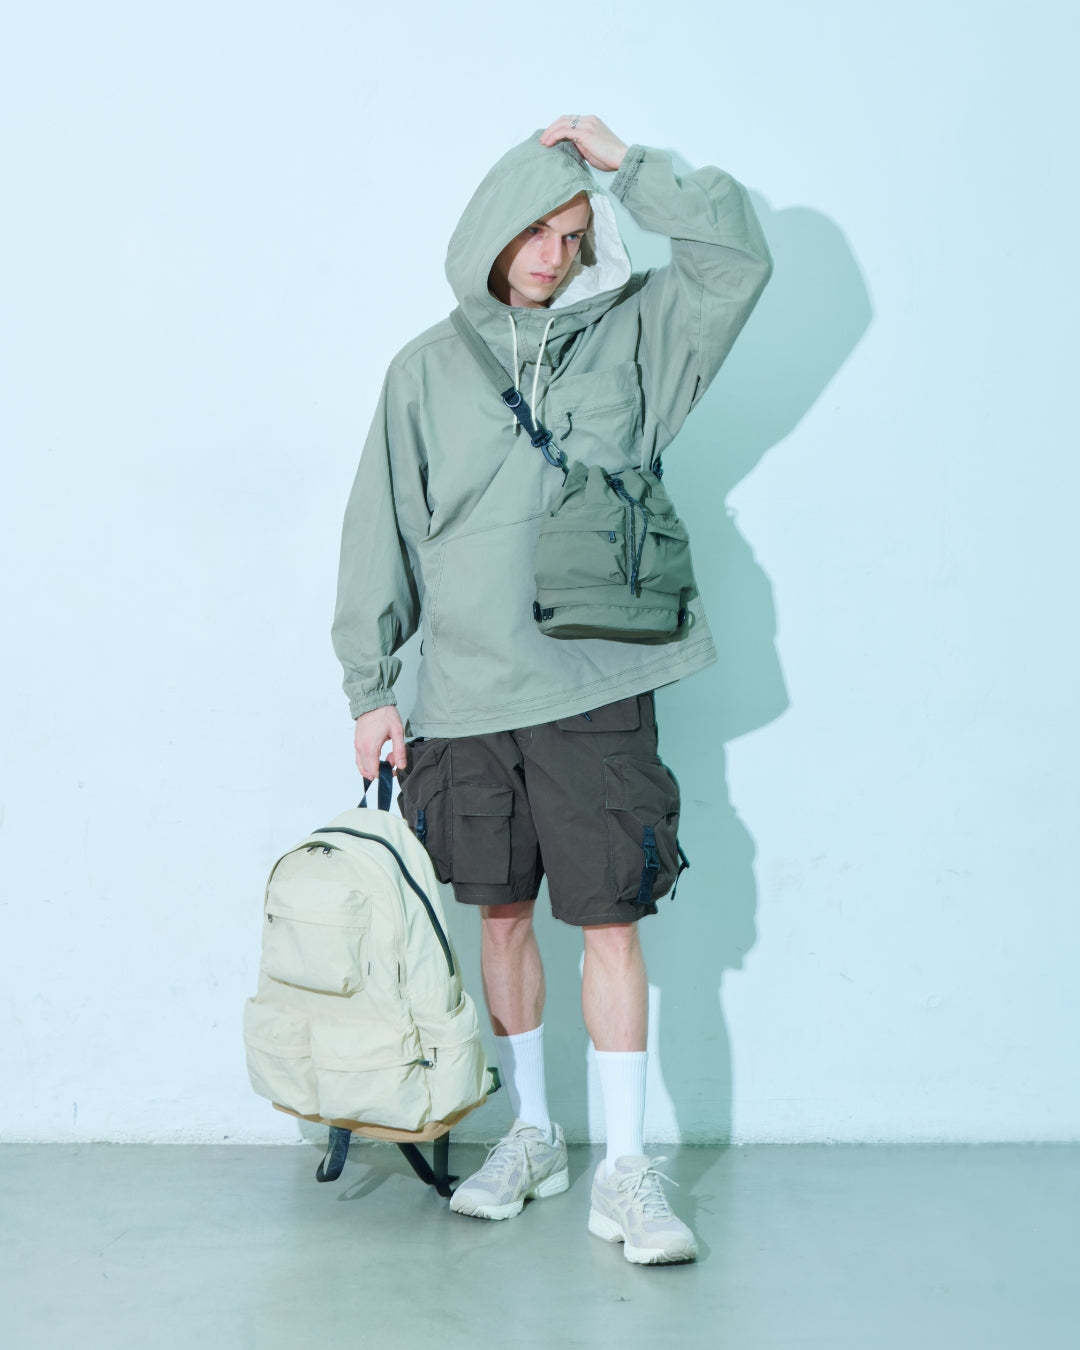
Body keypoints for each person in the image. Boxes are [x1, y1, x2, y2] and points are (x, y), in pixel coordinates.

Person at [333, 115, 771, 1263]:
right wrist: (370, 686)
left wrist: (632, 169)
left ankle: (625, 1169)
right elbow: (379, 533)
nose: (551, 254)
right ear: (491, 227)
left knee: (611, 923)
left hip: (596, 683)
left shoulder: (639, 337)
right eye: (533, 230)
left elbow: (737, 259)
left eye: (573, 234)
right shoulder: (423, 372)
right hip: (464, 697)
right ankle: (533, 1132)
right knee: (503, 919)